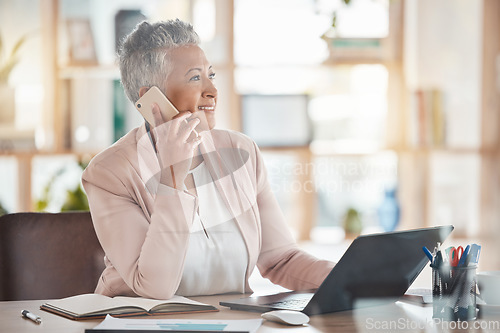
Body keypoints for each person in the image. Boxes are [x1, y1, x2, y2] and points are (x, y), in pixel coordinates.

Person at [82, 19, 334, 300]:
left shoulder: (242, 152)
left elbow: (281, 259)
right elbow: (154, 287)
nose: (212, 91)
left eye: (210, 75)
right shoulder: (109, 172)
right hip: (139, 323)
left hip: (233, 322)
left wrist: (352, 276)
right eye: (194, 78)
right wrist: (172, 177)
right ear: (153, 100)